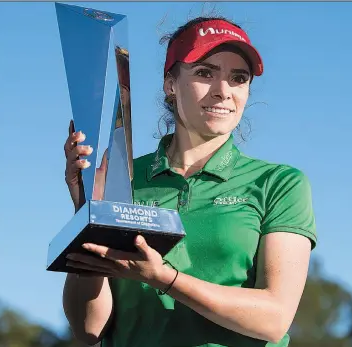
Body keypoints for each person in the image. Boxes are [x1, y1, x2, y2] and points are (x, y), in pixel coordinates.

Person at [63, 16, 317, 347]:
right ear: (170, 84)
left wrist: (165, 279)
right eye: (204, 73)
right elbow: (89, 330)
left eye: (238, 78)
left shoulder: (279, 183)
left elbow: (274, 318)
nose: (223, 91)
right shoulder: (120, 178)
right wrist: (88, 216)